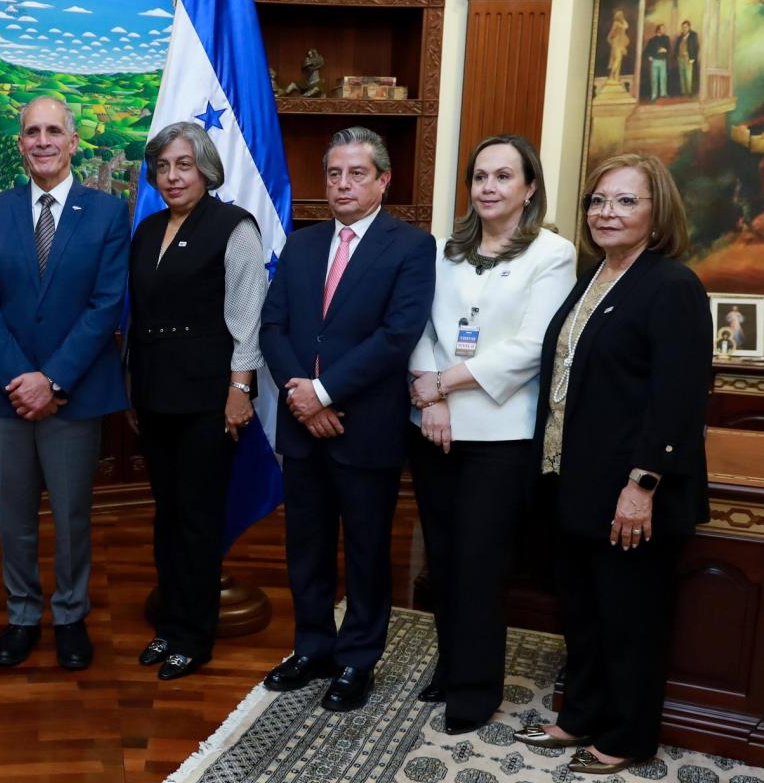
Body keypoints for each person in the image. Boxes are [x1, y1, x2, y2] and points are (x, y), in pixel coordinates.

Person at [513, 154, 711, 775]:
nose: (607, 212)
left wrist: (642, 484)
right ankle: (581, 716)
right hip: (573, 485)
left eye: (626, 201)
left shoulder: (672, 285)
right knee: (584, 612)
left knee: (630, 619)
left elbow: (676, 398)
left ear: (657, 214)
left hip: (632, 492)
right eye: (599, 200)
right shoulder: (594, 277)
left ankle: (627, 736)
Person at [259, 126, 435, 710]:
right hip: (302, 425)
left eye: (357, 173)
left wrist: (326, 392)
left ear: (383, 180)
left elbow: (396, 337)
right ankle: (312, 646)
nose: (342, 184)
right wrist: (301, 395)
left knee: (364, 550)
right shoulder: (302, 243)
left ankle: (358, 659)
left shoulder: (410, 247)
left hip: (367, 427)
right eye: (334, 173)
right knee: (305, 545)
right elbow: (273, 327)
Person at [407, 135, 575, 733]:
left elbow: (532, 348)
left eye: (504, 177)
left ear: (529, 188)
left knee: (481, 564)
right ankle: (451, 667)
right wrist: (430, 394)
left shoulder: (552, 254)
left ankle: (475, 691)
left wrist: (445, 384)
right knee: (444, 561)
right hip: (433, 424)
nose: (488, 188)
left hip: (500, 434)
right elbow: (420, 322)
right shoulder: (445, 250)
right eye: (480, 177)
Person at [0, 95, 130, 671]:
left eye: (53, 131)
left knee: (71, 515)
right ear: (20, 143)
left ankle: (69, 615)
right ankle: (20, 614)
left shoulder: (108, 213)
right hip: (7, 393)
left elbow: (106, 304)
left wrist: (53, 380)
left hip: (75, 392)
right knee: (12, 516)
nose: (42, 140)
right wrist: (21, 379)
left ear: (73, 141)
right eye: (31, 131)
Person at [127, 122, 267, 680]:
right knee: (168, 515)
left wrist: (240, 390)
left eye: (183, 164)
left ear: (206, 168)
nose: (172, 175)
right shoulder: (147, 229)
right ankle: (169, 625)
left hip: (210, 398)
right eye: (162, 166)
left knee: (199, 518)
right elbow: (138, 318)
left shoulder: (234, 226)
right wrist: (134, 390)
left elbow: (246, 315)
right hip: (156, 394)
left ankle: (194, 634)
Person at [644, 25, 671, 101]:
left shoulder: (666, 38)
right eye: (663, 28)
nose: (664, 30)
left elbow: (669, 49)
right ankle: (654, 95)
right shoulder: (651, 40)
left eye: (664, 28)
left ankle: (663, 93)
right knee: (654, 78)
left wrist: (665, 50)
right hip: (654, 61)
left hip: (662, 61)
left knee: (663, 78)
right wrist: (649, 57)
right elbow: (646, 51)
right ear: (658, 30)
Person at [674, 20, 699, 97]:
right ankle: (683, 91)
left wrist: (693, 58)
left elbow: (696, 47)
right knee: (682, 75)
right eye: (683, 27)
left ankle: (689, 92)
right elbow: (676, 48)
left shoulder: (693, 35)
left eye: (685, 27)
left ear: (689, 27)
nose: (684, 28)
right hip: (680, 58)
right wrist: (676, 57)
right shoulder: (680, 37)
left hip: (688, 57)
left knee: (688, 75)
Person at [606, 10, 630, 82]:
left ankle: (616, 77)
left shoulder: (621, 23)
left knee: (619, 60)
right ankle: (611, 74)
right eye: (621, 15)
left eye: (622, 15)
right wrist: (611, 40)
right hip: (616, 42)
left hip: (620, 42)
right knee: (618, 58)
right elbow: (612, 33)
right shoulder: (616, 23)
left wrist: (623, 20)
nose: (622, 16)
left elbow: (626, 26)